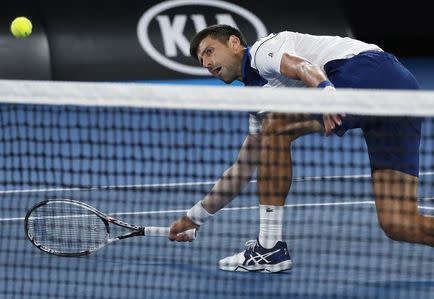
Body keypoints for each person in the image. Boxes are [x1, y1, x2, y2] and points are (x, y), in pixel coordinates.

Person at [168, 24, 429, 273]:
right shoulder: (260, 107)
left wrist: (326, 95)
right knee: (400, 224)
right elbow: (242, 170)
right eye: (201, 60)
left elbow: (304, 67)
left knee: (277, 125)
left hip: (369, 70)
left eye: (209, 51)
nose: (206, 63)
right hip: (400, 92)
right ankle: (269, 249)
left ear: (234, 43)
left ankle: (269, 248)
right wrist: (194, 218)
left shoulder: (262, 52)